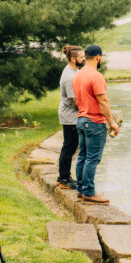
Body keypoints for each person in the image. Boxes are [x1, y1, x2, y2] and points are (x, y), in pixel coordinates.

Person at [72, 44, 120, 204]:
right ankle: (89, 192)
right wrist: (112, 122)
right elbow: (103, 101)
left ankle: (80, 189)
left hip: (81, 119)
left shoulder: (78, 75)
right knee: (92, 159)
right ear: (98, 57)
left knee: (83, 156)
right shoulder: (96, 76)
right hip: (94, 122)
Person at [57, 45, 85, 190]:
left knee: (71, 146)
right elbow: (75, 101)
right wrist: (89, 108)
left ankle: (64, 176)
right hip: (70, 116)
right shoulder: (69, 77)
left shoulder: (75, 71)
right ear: (73, 59)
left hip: (73, 116)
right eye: (81, 57)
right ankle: (63, 178)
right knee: (69, 147)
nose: (84, 59)